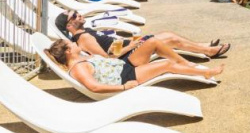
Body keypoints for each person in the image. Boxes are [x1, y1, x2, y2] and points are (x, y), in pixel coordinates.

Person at [45, 39, 224, 95]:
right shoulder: (78, 68)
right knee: (167, 65)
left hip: (123, 66)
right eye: (72, 44)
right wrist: (123, 86)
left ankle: (185, 64)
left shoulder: (81, 58)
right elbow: (94, 87)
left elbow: (107, 61)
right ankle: (205, 73)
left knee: (154, 42)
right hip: (126, 76)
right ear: (68, 51)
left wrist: (129, 47)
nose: (76, 44)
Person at [56, 10, 231, 62]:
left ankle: (203, 46)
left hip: (124, 45)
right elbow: (108, 58)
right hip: (126, 54)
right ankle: (209, 51)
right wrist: (130, 45)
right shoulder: (83, 38)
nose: (79, 15)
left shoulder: (84, 33)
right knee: (171, 39)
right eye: (74, 16)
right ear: (69, 25)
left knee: (168, 34)